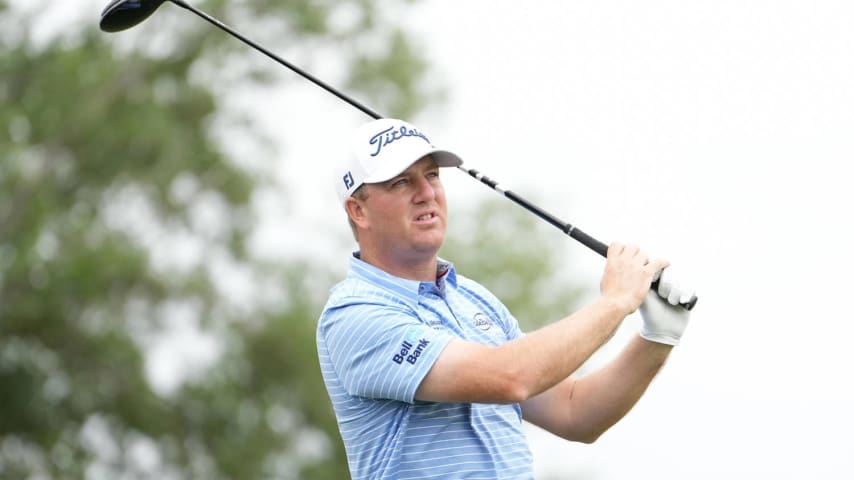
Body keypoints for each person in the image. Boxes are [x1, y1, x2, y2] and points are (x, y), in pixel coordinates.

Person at [316, 118, 695, 480]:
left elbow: (574, 412)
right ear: (358, 210)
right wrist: (615, 303)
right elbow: (510, 377)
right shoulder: (355, 314)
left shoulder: (475, 301)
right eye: (401, 182)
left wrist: (656, 339)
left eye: (431, 175)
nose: (427, 193)